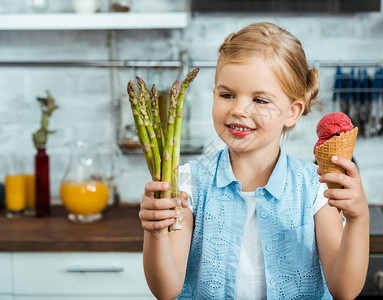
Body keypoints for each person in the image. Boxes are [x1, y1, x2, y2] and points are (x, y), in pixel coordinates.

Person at [139, 22, 369, 300]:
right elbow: (166, 289)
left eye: (260, 100)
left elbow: (344, 290)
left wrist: (358, 219)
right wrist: (154, 232)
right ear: (214, 95)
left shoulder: (316, 187)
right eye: (227, 95)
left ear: (292, 112)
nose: (238, 109)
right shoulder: (186, 182)